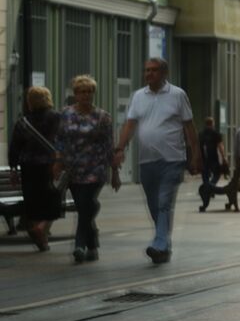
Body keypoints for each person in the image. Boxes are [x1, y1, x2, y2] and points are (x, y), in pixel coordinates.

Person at [114, 58, 200, 264]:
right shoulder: (138, 97)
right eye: (146, 70)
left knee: (163, 202)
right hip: (147, 161)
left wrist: (196, 154)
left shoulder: (178, 95)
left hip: (172, 159)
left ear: (164, 73)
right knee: (154, 204)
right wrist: (120, 148)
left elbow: (189, 126)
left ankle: (159, 243)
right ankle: (164, 244)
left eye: (153, 70)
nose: (148, 74)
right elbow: (130, 124)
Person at [54, 76, 117, 262]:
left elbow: (108, 145)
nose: (86, 95)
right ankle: (93, 244)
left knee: (85, 203)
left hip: (95, 168)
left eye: (89, 91)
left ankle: (79, 245)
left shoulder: (102, 117)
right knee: (86, 207)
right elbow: (59, 140)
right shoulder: (65, 114)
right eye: (82, 91)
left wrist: (115, 173)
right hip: (73, 169)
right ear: (75, 94)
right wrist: (57, 162)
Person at [8, 86, 64, 251]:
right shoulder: (57, 118)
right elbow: (64, 140)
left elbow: (14, 148)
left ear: (29, 102)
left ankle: (41, 238)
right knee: (53, 199)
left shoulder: (23, 122)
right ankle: (42, 229)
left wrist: (13, 169)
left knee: (32, 203)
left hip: (28, 166)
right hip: (50, 165)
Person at [197, 117, 228, 210]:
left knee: (205, 174)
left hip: (203, 158)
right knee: (217, 174)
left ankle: (208, 187)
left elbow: (197, 147)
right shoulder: (215, 134)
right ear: (212, 123)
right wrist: (224, 157)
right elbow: (220, 146)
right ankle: (211, 186)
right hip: (213, 158)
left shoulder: (201, 134)